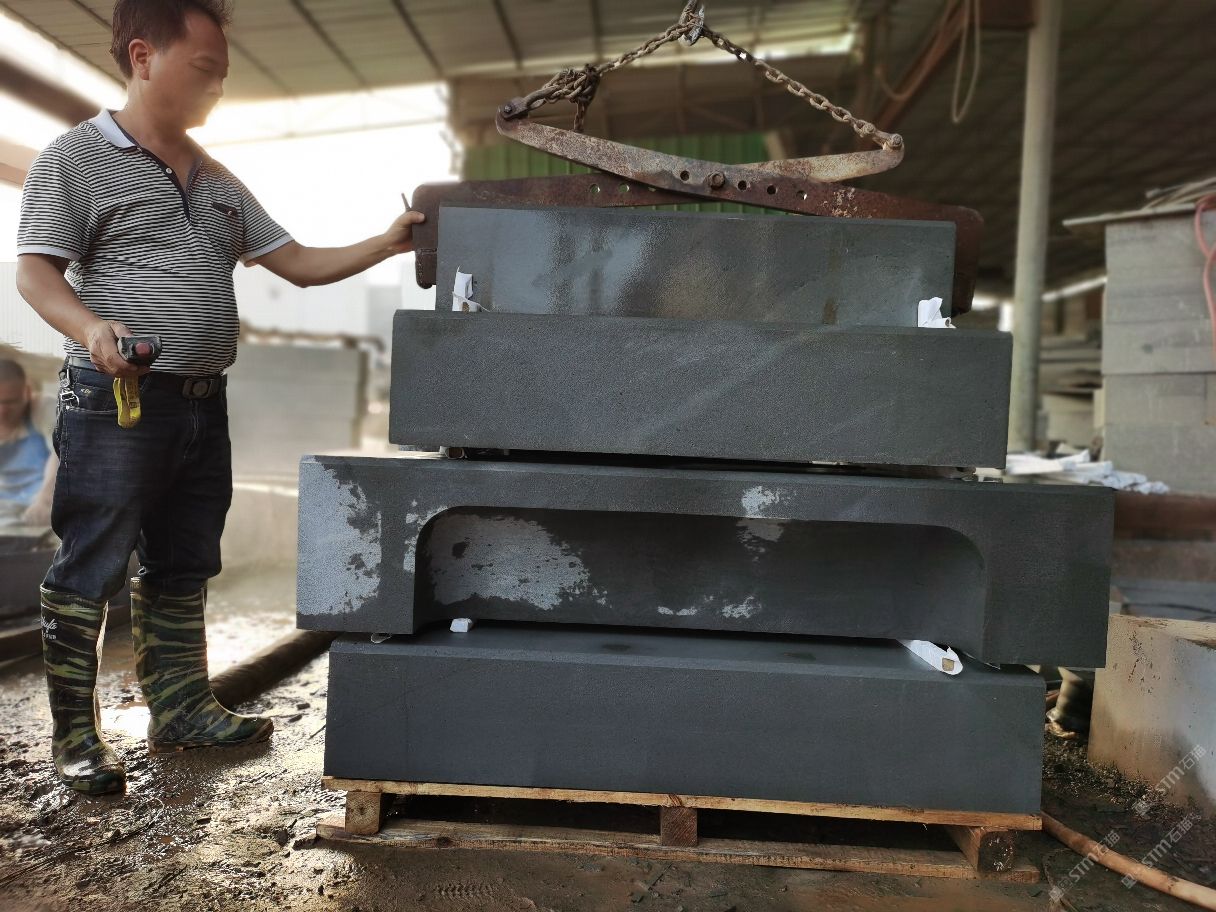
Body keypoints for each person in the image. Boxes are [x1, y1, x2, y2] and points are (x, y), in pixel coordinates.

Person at [15, 0, 423, 796]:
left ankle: (180, 710)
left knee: (185, 560)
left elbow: (297, 262)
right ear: (143, 57)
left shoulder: (218, 178)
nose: (217, 88)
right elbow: (35, 270)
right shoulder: (75, 158)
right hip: (120, 400)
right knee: (90, 561)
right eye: (204, 69)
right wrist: (90, 327)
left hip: (203, 402)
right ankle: (75, 737)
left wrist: (385, 241)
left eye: (222, 75)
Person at [0, 359, 55, 526]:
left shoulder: (44, 407)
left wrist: (45, 501)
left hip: (43, 506)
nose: (2, 411)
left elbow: (62, 454)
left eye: (10, 402)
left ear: (28, 392)